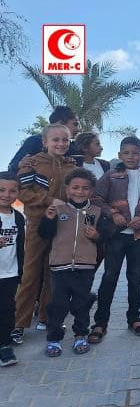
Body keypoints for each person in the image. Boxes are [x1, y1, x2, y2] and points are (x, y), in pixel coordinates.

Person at [89, 136, 140, 343]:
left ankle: (134, 318)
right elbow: (96, 199)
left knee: (136, 278)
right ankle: (100, 322)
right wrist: (113, 214)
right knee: (109, 278)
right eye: (126, 153)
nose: (131, 157)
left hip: (139, 237)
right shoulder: (111, 175)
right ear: (119, 155)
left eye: (135, 153)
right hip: (115, 236)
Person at [12, 124, 77, 345]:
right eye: (55, 140)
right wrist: (49, 201)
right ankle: (18, 323)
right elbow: (23, 192)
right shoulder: (32, 163)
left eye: (65, 140)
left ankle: (46, 317)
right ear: (45, 142)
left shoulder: (71, 165)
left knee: (54, 273)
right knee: (30, 274)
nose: (61, 144)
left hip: (62, 226)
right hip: (38, 224)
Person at [38, 168, 110, 356]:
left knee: (81, 304)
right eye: (75, 187)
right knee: (58, 305)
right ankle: (54, 339)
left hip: (85, 267)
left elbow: (106, 236)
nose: (80, 191)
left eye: (85, 188)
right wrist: (48, 219)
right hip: (59, 267)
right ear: (67, 189)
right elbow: (44, 234)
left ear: (91, 191)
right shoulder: (58, 210)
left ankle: (80, 335)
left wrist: (97, 235)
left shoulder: (97, 211)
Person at [8, 106, 80, 175]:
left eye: (65, 141)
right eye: (75, 124)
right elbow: (12, 167)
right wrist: (19, 164)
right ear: (60, 123)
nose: (78, 129)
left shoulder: (75, 149)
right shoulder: (35, 141)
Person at [0, 172, 24, 367]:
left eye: (12, 191)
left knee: (7, 310)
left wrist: (21, 271)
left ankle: (4, 345)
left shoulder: (19, 217)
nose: (6, 195)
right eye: (1, 190)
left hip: (10, 273)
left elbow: (21, 245)